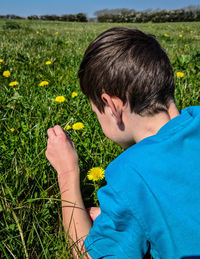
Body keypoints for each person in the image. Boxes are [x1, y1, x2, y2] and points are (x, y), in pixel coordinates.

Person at [45, 27, 200, 259]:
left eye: (96, 112)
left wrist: (67, 172)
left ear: (112, 106)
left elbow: (85, 255)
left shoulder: (129, 175)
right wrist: (125, 215)